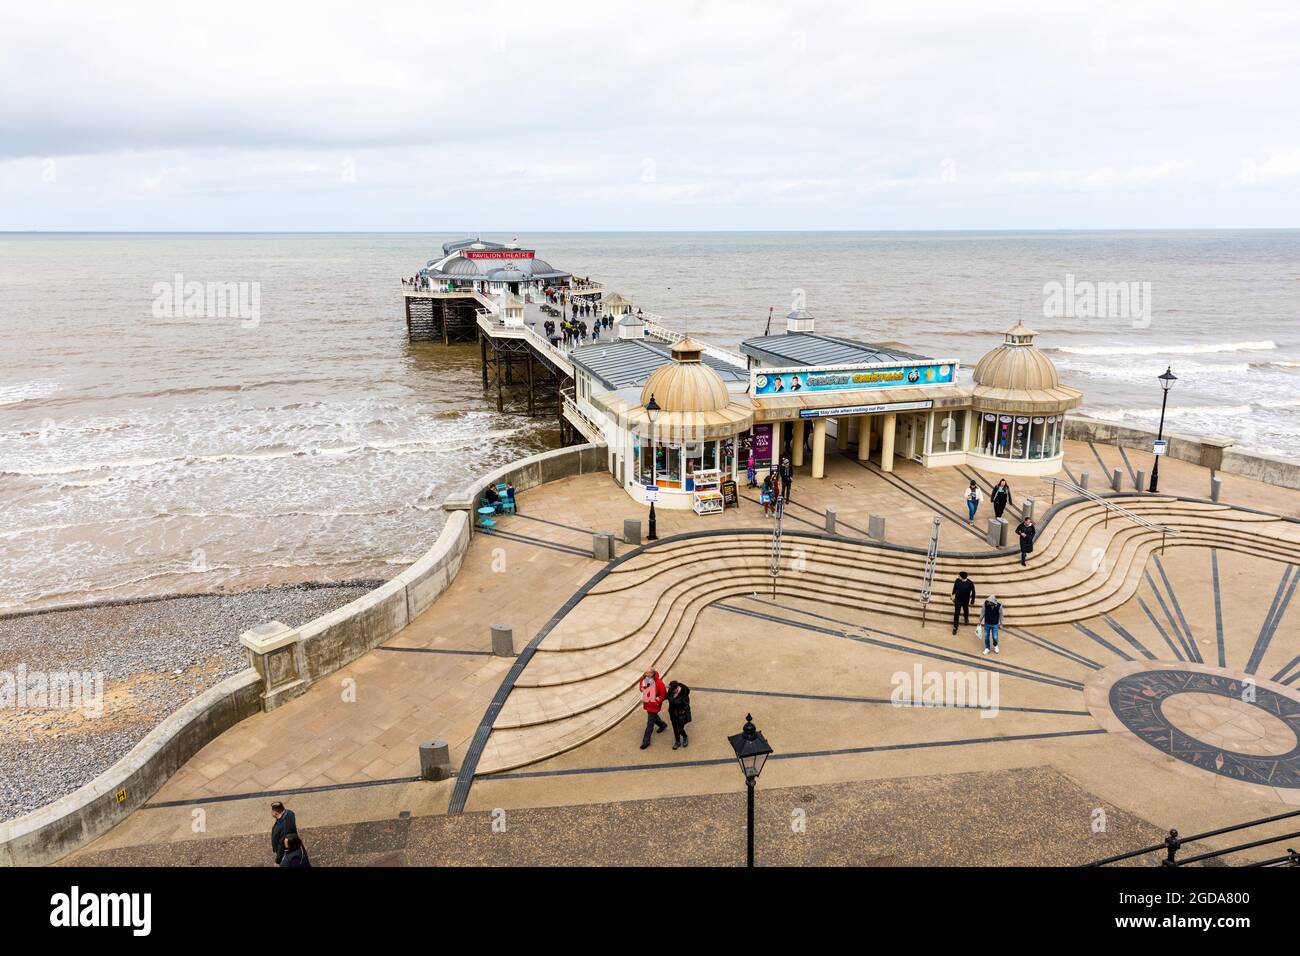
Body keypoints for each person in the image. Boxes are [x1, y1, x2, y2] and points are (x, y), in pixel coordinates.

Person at [638, 669, 668, 749]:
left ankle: (646, 741)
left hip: (654, 704)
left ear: (652, 673)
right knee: (653, 717)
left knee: (650, 723)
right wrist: (641, 689)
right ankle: (662, 725)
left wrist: (656, 701)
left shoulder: (659, 682)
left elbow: (663, 693)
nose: (645, 674)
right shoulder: (644, 678)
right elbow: (641, 685)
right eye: (645, 672)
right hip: (647, 702)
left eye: (647, 673)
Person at [666, 679, 691, 750]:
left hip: (681, 715)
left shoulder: (684, 694)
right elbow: (667, 696)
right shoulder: (671, 690)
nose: (672, 692)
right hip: (672, 713)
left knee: (679, 728)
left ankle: (685, 736)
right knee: (675, 728)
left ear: (677, 688)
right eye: (671, 690)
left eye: (673, 690)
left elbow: (687, 706)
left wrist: (688, 717)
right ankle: (677, 741)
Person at [951, 571, 976, 635]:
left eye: (959, 576)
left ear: (962, 577)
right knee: (956, 613)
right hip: (958, 600)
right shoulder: (957, 580)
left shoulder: (970, 583)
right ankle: (955, 627)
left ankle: (966, 618)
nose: (958, 576)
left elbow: (973, 592)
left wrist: (972, 600)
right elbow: (954, 588)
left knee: (965, 610)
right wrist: (952, 595)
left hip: (965, 600)